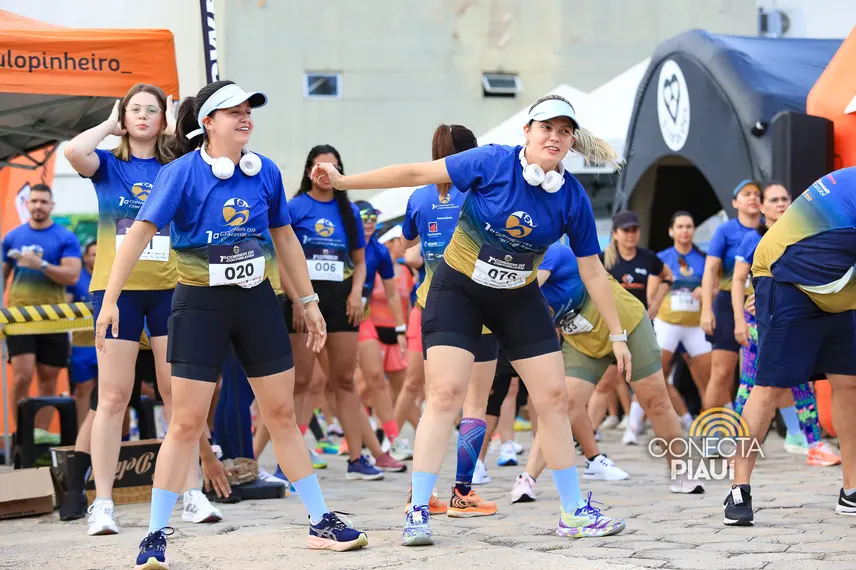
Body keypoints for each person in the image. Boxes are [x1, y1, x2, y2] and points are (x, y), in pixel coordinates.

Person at [312, 95, 629, 544]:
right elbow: (416, 174)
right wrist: (345, 181)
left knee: (554, 398)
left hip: (517, 298)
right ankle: (418, 511)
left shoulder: (571, 196)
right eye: (546, 128)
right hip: (458, 291)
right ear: (527, 131)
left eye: (564, 131)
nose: (555, 137)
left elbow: (592, 269)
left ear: (572, 141)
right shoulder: (493, 162)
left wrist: (617, 333)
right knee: (445, 394)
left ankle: (574, 511)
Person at [94, 80, 369, 568]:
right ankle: (154, 535)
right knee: (186, 421)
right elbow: (138, 234)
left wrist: (307, 301)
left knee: (280, 413)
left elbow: (285, 239)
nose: (245, 118)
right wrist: (111, 298)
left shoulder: (265, 172)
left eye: (248, 111)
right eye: (233, 111)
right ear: (208, 122)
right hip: (199, 305)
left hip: (257, 302)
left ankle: (320, 520)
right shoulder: (180, 173)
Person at [65, 83, 223, 535]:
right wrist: (107, 124)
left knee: (177, 396)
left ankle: (190, 493)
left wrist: (177, 132)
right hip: (117, 293)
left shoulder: (178, 167)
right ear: (123, 116)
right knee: (113, 397)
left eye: (151, 110)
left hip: (170, 290)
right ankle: (103, 504)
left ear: (163, 119)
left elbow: (209, 163)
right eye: (134, 109)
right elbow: (74, 152)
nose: (142, 116)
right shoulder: (108, 165)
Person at [513, 242, 701, 502]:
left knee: (656, 402)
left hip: (626, 324)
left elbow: (525, 293)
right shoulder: (510, 269)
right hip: (582, 339)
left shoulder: (553, 253)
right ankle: (528, 478)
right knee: (561, 406)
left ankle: (680, 471)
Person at [724, 168, 856, 526]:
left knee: (848, 382)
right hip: (786, 277)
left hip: (837, 287)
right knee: (769, 386)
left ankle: (851, 490)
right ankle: (739, 489)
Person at [399, 123, 499, 519]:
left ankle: (421, 493)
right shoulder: (483, 192)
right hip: (484, 306)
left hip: (434, 305)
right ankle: (463, 492)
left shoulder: (420, 195)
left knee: (435, 403)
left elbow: (408, 244)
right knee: (475, 402)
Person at [283, 145, 394, 478]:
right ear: (308, 171)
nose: (325, 173)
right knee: (301, 382)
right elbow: (282, 260)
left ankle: (356, 459)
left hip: (342, 304)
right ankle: (291, 464)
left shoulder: (350, 213)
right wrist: (298, 300)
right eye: (319, 167)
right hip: (304, 304)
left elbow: (360, 262)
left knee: (344, 381)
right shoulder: (294, 208)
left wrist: (358, 294)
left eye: (332, 168)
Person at [730, 182, 840, 466]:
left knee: (802, 381)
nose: (780, 204)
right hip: (759, 324)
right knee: (750, 384)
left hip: (795, 319)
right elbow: (738, 280)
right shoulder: (753, 239)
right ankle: (739, 446)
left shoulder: (803, 232)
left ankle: (813, 444)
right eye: (773, 200)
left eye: (784, 198)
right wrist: (740, 317)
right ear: (762, 207)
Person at [2, 184, 81, 436]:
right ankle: (21, 435)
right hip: (20, 317)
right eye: (34, 201)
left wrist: (42, 265)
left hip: (54, 317)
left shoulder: (65, 237)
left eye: (43, 202)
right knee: (22, 376)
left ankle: (41, 436)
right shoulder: (12, 237)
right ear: (27, 204)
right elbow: (2, 277)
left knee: (48, 378)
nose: (38, 206)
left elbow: (72, 276)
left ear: (51, 205)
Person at [599, 210, 672, 445]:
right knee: (605, 382)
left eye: (634, 230)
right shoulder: (604, 259)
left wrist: (656, 303)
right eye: (626, 230)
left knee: (647, 380)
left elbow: (668, 277)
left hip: (640, 326)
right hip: (611, 328)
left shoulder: (647, 257)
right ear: (615, 234)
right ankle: (587, 433)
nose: (631, 235)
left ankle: (635, 428)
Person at [353, 200, 412, 460]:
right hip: (330, 317)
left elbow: (392, 294)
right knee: (314, 384)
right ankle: (341, 439)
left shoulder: (378, 251)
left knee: (376, 379)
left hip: (361, 319)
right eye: (364, 218)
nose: (369, 223)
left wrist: (401, 329)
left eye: (373, 218)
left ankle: (393, 440)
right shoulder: (342, 243)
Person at [700, 180, 762, 412]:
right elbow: (709, 270)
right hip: (727, 305)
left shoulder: (768, 230)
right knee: (722, 372)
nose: (753, 197)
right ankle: (710, 429)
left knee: (762, 375)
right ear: (735, 202)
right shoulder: (725, 231)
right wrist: (706, 310)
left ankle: (756, 425)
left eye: (757, 194)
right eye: (746, 194)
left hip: (760, 305)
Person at [653, 212, 711, 430]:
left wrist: (705, 291)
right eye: (680, 227)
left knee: (708, 378)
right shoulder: (661, 258)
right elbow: (651, 294)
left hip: (695, 326)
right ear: (671, 231)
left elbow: (714, 289)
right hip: (667, 324)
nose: (684, 231)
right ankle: (645, 424)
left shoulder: (704, 258)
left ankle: (710, 425)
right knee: (656, 376)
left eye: (688, 226)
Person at [66, 241, 99, 426]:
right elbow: (65, 309)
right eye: (93, 254)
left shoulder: (113, 275)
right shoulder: (76, 279)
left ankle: (122, 438)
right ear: (85, 258)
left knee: (111, 391)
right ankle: (82, 436)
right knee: (83, 388)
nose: (97, 257)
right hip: (82, 344)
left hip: (108, 341)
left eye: (100, 253)